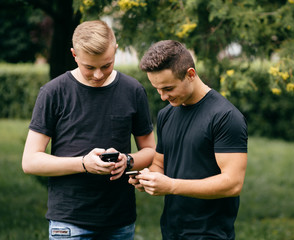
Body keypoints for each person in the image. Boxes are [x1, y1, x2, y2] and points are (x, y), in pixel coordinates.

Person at [22, 20, 156, 240]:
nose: (98, 75)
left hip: (120, 222)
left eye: (106, 65)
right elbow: (30, 161)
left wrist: (128, 160)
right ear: (74, 55)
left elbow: (150, 150)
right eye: (89, 67)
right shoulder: (53, 92)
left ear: (115, 50)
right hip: (69, 222)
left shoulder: (133, 90)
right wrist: (84, 163)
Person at [130, 40, 248, 239]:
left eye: (168, 88)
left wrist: (171, 186)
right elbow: (159, 164)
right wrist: (146, 179)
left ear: (190, 74)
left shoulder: (225, 117)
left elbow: (233, 183)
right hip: (171, 231)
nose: (162, 96)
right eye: (157, 89)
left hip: (210, 234)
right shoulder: (166, 114)